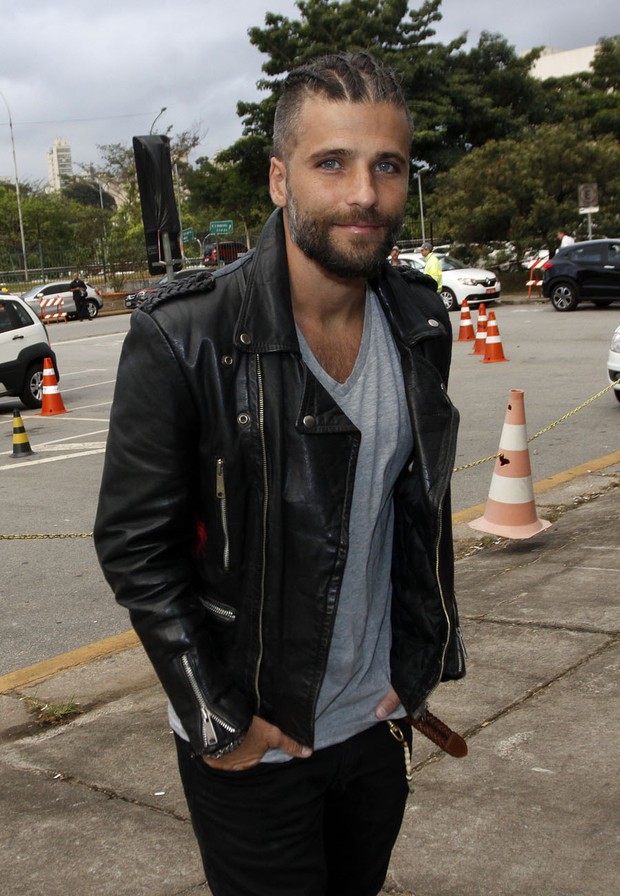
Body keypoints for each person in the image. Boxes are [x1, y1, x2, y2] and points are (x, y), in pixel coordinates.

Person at [94, 51, 465, 896]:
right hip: (255, 738)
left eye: (387, 166)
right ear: (278, 179)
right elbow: (134, 546)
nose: (363, 194)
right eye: (330, 162)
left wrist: (414, 673)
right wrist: (218, 719)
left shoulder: (419, 317)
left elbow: (412, 513)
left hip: (375, 728)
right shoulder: (183, 337)